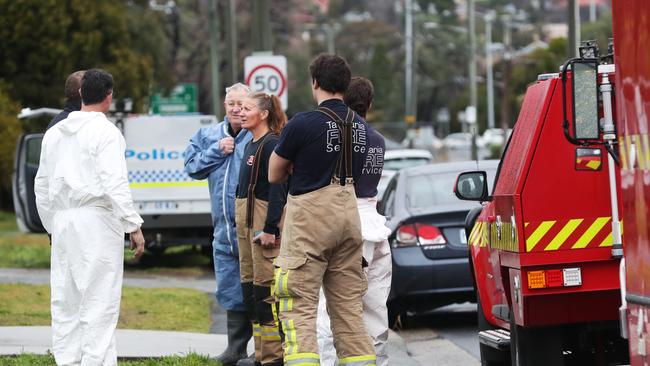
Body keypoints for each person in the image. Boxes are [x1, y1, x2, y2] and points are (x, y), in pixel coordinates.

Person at [269, 54, 376, 366]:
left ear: (315, 82)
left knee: (298, 304)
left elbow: (274, 173)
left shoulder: (303, 123)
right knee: (348, 310)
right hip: (349, 216)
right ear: (345, 84)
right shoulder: (360, 127)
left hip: (310, 219)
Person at [34, 68, 145, 366]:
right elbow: (114, 183)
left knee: (66, 300)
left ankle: (67, 361)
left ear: (81, 94)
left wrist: (51, 225)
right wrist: (132, 224)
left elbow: (41, 185)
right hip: (96, 219)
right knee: (99, 300)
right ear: (109, 97)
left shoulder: (55, 132)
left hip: (63, 220)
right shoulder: (106, 132)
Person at [316, 77, 392, 366]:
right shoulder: (378, 140)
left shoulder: (338, 136)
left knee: (331, 309)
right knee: (374, 309)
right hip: (375, 225)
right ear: (369, 104)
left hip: (346, 222)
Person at [184, 83, 253, 366]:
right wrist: (217, 150)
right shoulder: (208, 135)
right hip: (222, 230)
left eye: (241, 103)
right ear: (224, 106)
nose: (236, 109)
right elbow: (191, 166)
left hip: (252, 229)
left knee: (258, 289)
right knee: (229, 288)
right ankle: (234, 349)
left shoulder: (258, 135)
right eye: (231, 103)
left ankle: (263, 349)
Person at [235, 92, 288, 366]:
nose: (240, 113)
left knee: (266, 292)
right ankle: (260, 354)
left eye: (247, 108)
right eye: (239, 108)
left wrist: (271, 228)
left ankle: (273, 358)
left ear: (264, 114)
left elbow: (279, 188)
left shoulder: (272, 144)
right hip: (245, 224)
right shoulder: (248, 145)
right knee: (251, 291)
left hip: (262, 224)